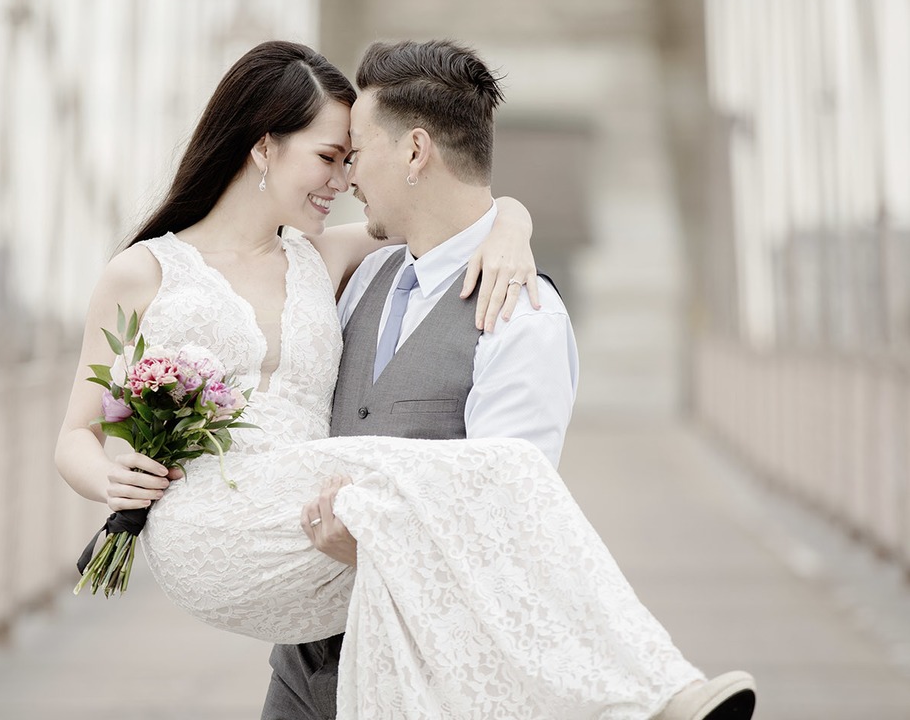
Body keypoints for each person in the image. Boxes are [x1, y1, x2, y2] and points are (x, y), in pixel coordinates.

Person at [54, 40, 755, 719]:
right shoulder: (158, 272)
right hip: (227, 530)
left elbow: (463, 214)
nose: (345, 178)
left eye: (352, 156)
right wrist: (108, 480)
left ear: (412, 150)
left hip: (344, 592)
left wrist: (513, 218)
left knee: (508, 474)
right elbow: (77, 436)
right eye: (331, 156)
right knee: (502, 473)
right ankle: (650, 697)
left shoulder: (321, 262)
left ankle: (647, 696)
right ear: (263, 146)